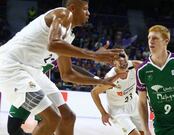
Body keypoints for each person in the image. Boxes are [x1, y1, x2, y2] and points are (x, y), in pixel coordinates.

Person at [0, 0, 122, 135]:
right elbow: (53, 44)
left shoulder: (68, 36)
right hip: (11, 65)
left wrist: (100, 82)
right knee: (51, 118)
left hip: (33, 70)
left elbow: (68, 74)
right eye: (85, 9)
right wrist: (94, 55)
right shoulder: (63, 13)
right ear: (72, 8)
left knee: (68, 117)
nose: (88, 13)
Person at [91, 52, 144, 135]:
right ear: (114, 64)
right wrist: (103, 113)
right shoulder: (110, 78)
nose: (124, 67)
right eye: (121, 65)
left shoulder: (135, 65)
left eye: (125, 64)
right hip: (118, 110)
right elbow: (94, 93)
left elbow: (151, 70)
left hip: (134, 104)